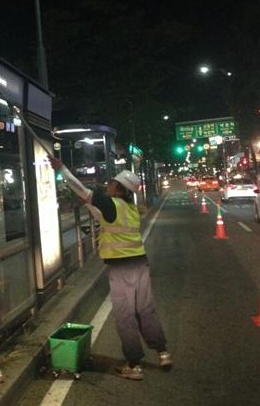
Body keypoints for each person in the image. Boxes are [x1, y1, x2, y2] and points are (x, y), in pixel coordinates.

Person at [48, 155, 172, 380]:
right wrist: (83, 200)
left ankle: (133, 366)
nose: (108, 185)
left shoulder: (111, 204)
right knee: (145, 309)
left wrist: (62, 168)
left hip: (121, 269)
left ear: (120, 189)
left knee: (125, 316)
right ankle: (163, 352)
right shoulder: (129, 209)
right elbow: (99, 212)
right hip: (140, 263)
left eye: (112, 183)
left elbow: (82, 190)